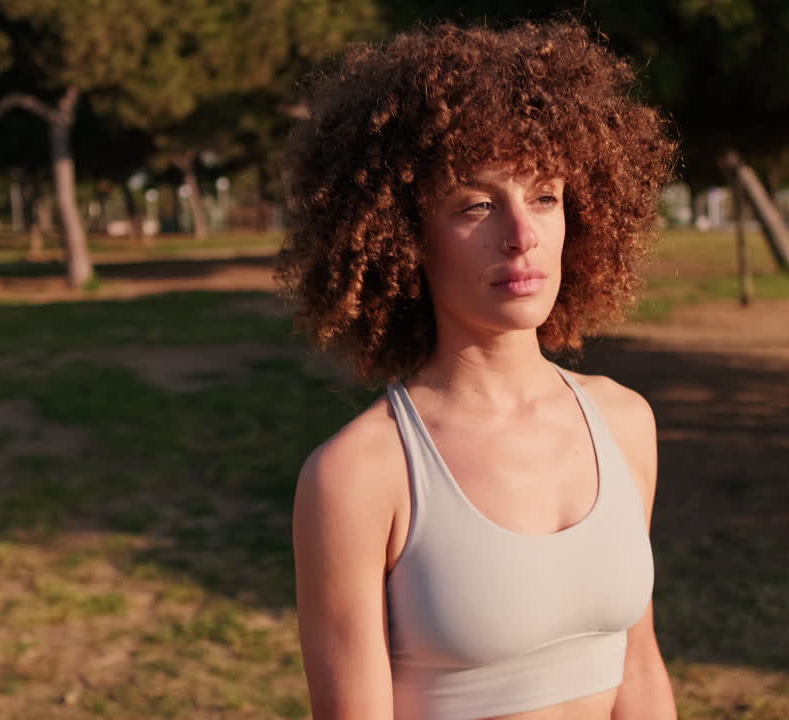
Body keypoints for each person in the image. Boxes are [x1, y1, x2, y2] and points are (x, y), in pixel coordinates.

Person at [278, 20, 677, 720]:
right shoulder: (360, 476)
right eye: (477, 205)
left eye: (545, 197)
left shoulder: (624, 423)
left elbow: (637, 667)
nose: (521, 235)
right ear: (406, 238)